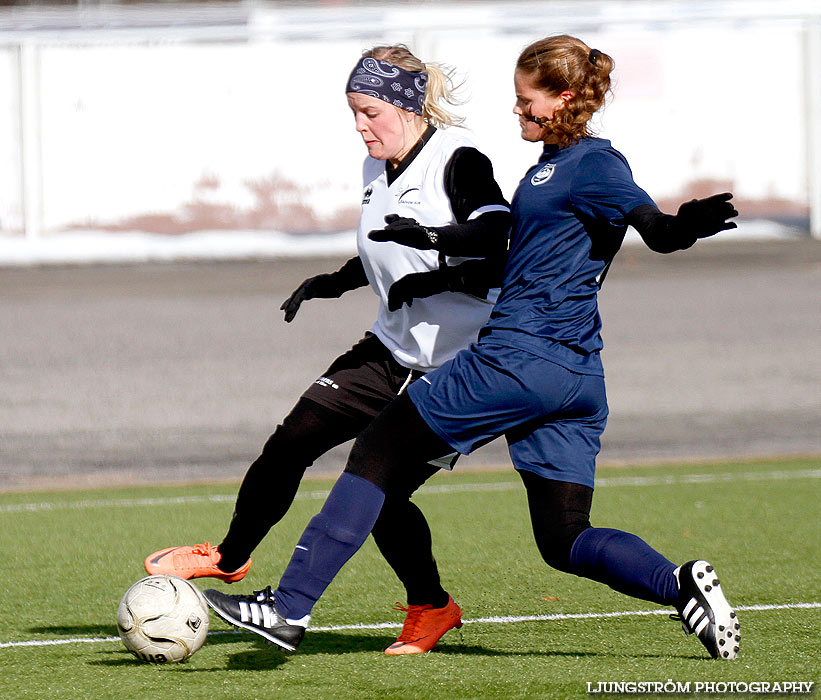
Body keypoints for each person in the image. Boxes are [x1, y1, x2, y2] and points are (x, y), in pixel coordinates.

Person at [202, 35, 741, 661]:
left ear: (565, 97)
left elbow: (658, 231)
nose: (518, 112)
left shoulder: (593, 165)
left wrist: (687, 226)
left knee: (379, 447)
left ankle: (287, 607)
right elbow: (512, 256)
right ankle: (681, 587)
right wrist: (422, 275)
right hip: (575, 376)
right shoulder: (550, 168)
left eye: (526, 100)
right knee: (563, 538)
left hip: (517, 357)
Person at [143, 44, 511, 655]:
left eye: (370, 112)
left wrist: (434, 236)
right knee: (291, 440)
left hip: (455, 368)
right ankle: (231, 558)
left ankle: (432, 607)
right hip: (387, 350)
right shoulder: (376, 166)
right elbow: (387, 248)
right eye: (353, 113)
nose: (360, 126)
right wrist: (334, 282)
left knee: (380, 492)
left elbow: (497, 233)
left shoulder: (458, 159)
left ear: (408, 104)